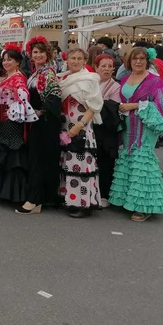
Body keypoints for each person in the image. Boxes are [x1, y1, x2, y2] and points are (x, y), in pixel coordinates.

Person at [110, 47, 163, 222]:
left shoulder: (155, 81)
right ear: (129, 61)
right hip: (128, 126)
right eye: (135, 58)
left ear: (147, 61)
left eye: (142, 59)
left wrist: (135, 105)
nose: (138, 62)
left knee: (143, 162)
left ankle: (143, 207)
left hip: (145, 126)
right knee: (129, 158)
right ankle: (128, 200)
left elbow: (162, 105)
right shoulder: (125, 79)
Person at [0, 44, 38, 203]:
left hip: (11, 120)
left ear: (18, 62)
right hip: (3, 120)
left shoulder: (18, 78)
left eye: (10, 60)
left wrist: (15, 109)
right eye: (5, 60)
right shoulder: (9, 77)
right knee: (6, 152)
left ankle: (14, 192)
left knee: (13, 153)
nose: (6, 63)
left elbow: (23, 95)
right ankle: (4, 190)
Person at [16, 37, 62, 215]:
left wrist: (40, 112)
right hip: (36, 121)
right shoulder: (36, 73)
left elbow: (54, 98)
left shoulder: (47, 73)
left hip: (44, 123)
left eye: (41, 52)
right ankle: (38, 198)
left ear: (47, 54)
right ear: (30, 55)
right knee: (37, 159)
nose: (38, 55)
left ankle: (34, 200)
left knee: (38, 160)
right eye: (35, 52)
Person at [57, 48, 104, 218]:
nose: (75, 61)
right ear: (67, 61)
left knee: (80, 165)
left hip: (81, 126)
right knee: (68, 164)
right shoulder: (64, 79)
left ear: (85, 61)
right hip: (65, 128)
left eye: (79, 58)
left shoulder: (90, 79)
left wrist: (80, 125)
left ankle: (82, 203)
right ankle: (69, 198)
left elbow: (94, 105)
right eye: (72, 58)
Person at [92, 54, 121, 206]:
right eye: (103, 66)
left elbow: (113, 109)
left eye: (110, 66)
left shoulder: (116, 87)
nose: (107, 69)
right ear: (96, 67)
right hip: (91, 127)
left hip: (107, 128)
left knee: (105, 161)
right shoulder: (91, 82)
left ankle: (104, 194)